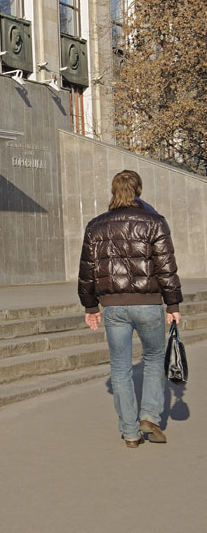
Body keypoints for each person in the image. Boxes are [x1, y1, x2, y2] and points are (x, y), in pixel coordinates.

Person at [78, 170, 182, 448]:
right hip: (148, 304)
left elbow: (87, 270)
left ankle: (130, 432)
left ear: (113, 191)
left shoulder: (96, 225)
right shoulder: (154, 222)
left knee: (121, 368)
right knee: (153, 358)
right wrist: (173, 304)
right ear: (139, 190)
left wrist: (90, 306)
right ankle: (148, 415)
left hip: (113, 307)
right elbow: (166, 265)